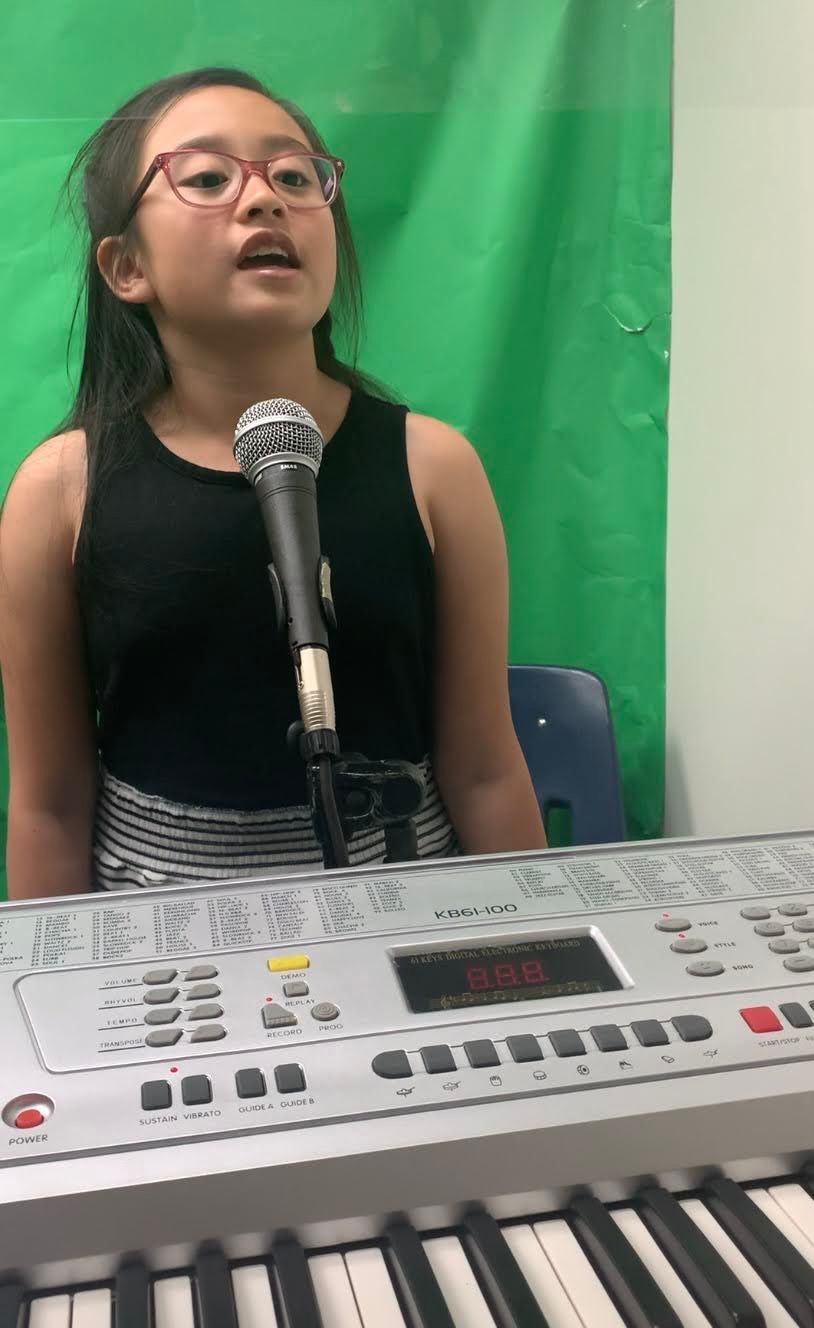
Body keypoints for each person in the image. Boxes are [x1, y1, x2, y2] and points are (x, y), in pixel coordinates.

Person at [0, 67, 546, 899]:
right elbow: (50, 807)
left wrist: (533, 952)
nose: (264, 200)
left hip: (407, 917)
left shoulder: (435, 468)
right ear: (124, 266)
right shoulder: (59, 490)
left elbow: (482, 770)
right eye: (208, 178)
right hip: (163, 960)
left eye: (295, 176)